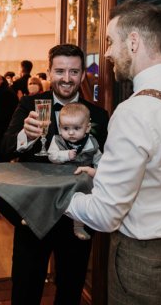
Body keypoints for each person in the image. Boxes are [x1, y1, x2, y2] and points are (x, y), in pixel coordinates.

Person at [65, 2, 161, 304]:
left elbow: (105, 216)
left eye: (110, 41)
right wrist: (104, 174)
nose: (106, 52)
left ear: (132, 42)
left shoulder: (133, 112)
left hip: (144, 259)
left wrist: (59, 199)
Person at [0, 43, 109, 305]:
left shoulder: (98, 115)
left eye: (74, 72)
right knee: (26, 288)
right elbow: (3, 150)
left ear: (83, 74)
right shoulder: (29, 105)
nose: (66, 78)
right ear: (49, 72)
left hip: (77, 217)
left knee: (70, 290)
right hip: (33, 213)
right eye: (60, 71)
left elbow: (106, 165)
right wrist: (25, 135)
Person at [47, 103, 101, 241]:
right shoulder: (57, 140)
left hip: (80, 180)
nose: (70, 133)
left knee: (82, 201)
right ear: (60, 128)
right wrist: (65, 155)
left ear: (87, 128)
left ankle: (78, 227)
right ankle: (38, 218)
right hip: (60, 177)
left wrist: (97, 172)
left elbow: (99, 160)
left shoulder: (91, 143)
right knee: (48, 196)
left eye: (77, 128)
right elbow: (51, 156)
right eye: (66, 128)